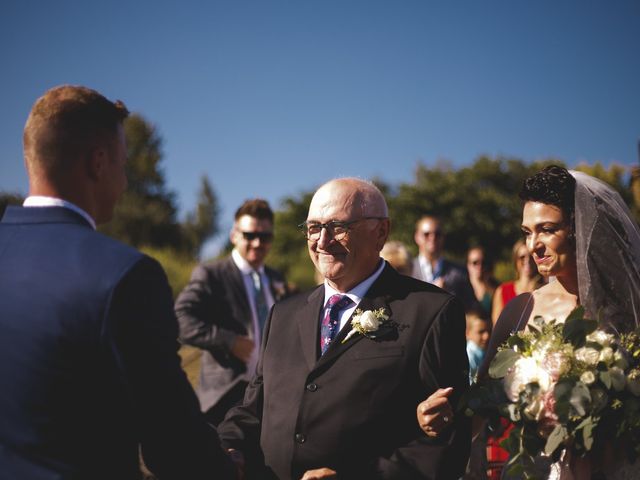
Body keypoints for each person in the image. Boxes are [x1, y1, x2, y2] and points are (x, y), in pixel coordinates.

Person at [0, 85, 234, 479]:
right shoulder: (124, 275)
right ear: (98, 163)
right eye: (124, 166)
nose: (124, 183)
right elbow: (173, 443)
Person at [218, 178, 471, 479]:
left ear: (381, 232)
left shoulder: (430, 311)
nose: (322, 241)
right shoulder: (283, 314)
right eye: (313, 228)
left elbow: (446, 440)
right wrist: (227, 445)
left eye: (338, 226)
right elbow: (253, 408)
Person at [417, 165, 640, 479]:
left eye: (547, 229)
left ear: (581, 228)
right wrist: (441, 418)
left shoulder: (626, 309)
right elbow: (481, 404)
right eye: (527, 232)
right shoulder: (521, 309)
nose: (533, 245)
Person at [176, 199, 289, 425]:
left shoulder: (276, 279)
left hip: (272, 398)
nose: (258, 243)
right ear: (234, 236)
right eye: (249, 235)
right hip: (226, 398)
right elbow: (179, 319)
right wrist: (229, 341)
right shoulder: (212, 275)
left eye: (265, 237)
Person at [412, 215, 478, 311]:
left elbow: (471, 308)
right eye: (426, 234)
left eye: (437, 234)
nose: (432, 238)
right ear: (417, 237)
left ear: (443, 237)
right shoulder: (407, 269)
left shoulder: (460, 272)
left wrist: (448, 296)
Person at [490, 239, 543, 325]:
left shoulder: (544, 289)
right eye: (522, 257)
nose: (527, 260)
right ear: (515, 260)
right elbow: (497, 327)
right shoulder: (503, 291)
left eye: (531, 256)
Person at [466, 246, 497, 317]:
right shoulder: (460, 288)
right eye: (475, 263)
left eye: (483, 262)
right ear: (468, 265)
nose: (480, 266)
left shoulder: (496, 288)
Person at [465, 309, 491, 383]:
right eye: (481, 332)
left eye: (489, 330)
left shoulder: (484, 351)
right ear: (467, 333)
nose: (486, 336)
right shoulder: (469, 357)